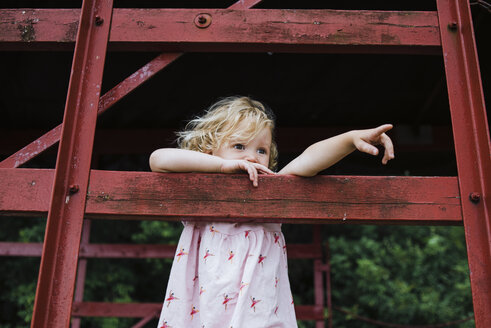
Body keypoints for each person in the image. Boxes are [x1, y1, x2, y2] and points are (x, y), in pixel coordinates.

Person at [150, 96, 394, 328]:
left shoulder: (270, 193)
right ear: (210, 151)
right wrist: (223, 167)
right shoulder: (199, 196)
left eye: (261, 150)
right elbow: (158, 159)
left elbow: (309, 159)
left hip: (257, 313)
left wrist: (350, 139)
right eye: (239, 146)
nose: (252, 157)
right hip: (202, 312)